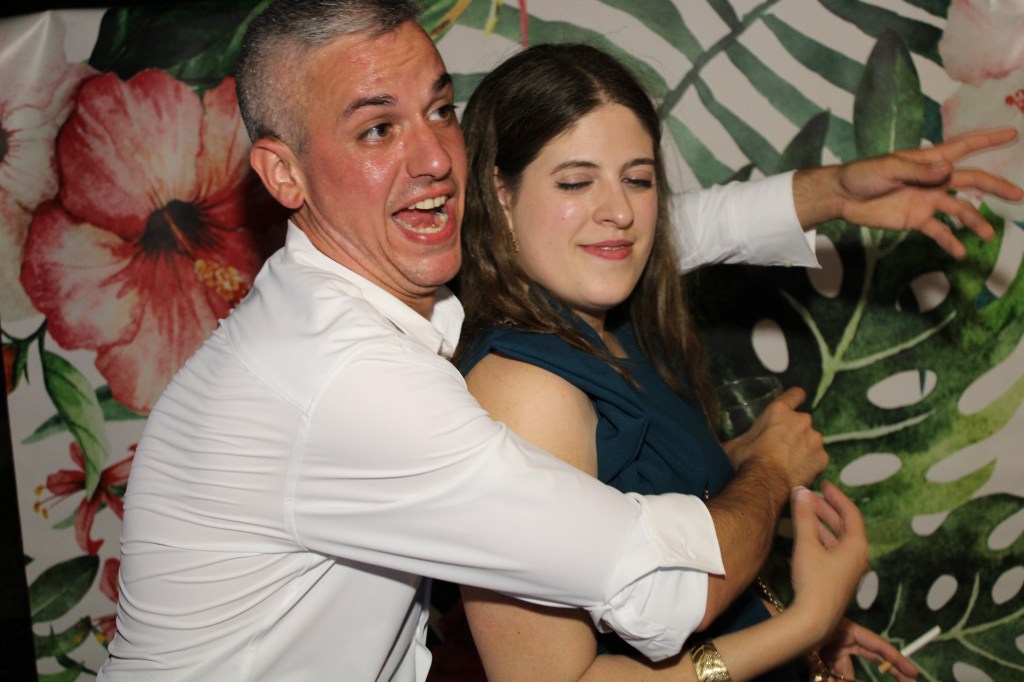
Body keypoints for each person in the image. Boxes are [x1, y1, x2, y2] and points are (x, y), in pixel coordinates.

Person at [98, 0, 1022, 679]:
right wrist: (778, 498)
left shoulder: (379, 293)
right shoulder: (350, 382)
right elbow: (661, 587)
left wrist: (831, 192)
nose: (434, 158)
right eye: (377, 129)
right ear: (283, 174)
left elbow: (625, 235)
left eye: (440, 110)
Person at [448, 42, 929, 682]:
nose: (620, 211)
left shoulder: (613, 324)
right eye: (575, 182)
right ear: (500, 194)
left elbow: (632, 504)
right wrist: (805, 619)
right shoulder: (525, 390)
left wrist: (738, 469)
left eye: (638, 179)